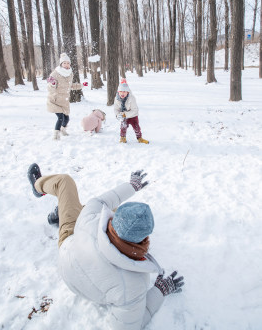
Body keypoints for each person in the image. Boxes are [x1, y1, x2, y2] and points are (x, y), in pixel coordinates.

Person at [27, 163, 184, 330]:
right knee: (101, 207)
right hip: (77, 266)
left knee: (64, 182)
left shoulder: (90, 217)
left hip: (70, 246)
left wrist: (132, 186)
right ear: (144, 239)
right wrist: (160, 291)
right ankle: (62, 210)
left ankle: (47, 194)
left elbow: (102, 201)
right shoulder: (134, 284)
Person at [47, 52, 82, 140]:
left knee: (66, 119)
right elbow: (50, 88)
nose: (66, 65)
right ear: (61, 64)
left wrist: (81, 85)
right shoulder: (55, 74)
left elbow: (70, 86)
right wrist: (53, 84)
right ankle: (56, 135)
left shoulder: (70, 73)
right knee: (60, 118)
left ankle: (63, 130)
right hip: (55, 100)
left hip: (64, 101)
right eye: (64, 63)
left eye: (68, 63)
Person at [114, 78, 149, 144]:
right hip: (123, 116)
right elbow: (116, 109)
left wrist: (125, 114)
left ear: (128, 92)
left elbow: (135, 110)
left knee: (136, 127)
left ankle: (140, 138)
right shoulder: (116, 99)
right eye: (121, 91)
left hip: (133, 116)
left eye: (124, 91)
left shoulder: (132, 98)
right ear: (118, 92)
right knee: (123, 127)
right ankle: (123, 138)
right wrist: (118, 115)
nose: (122, 93)